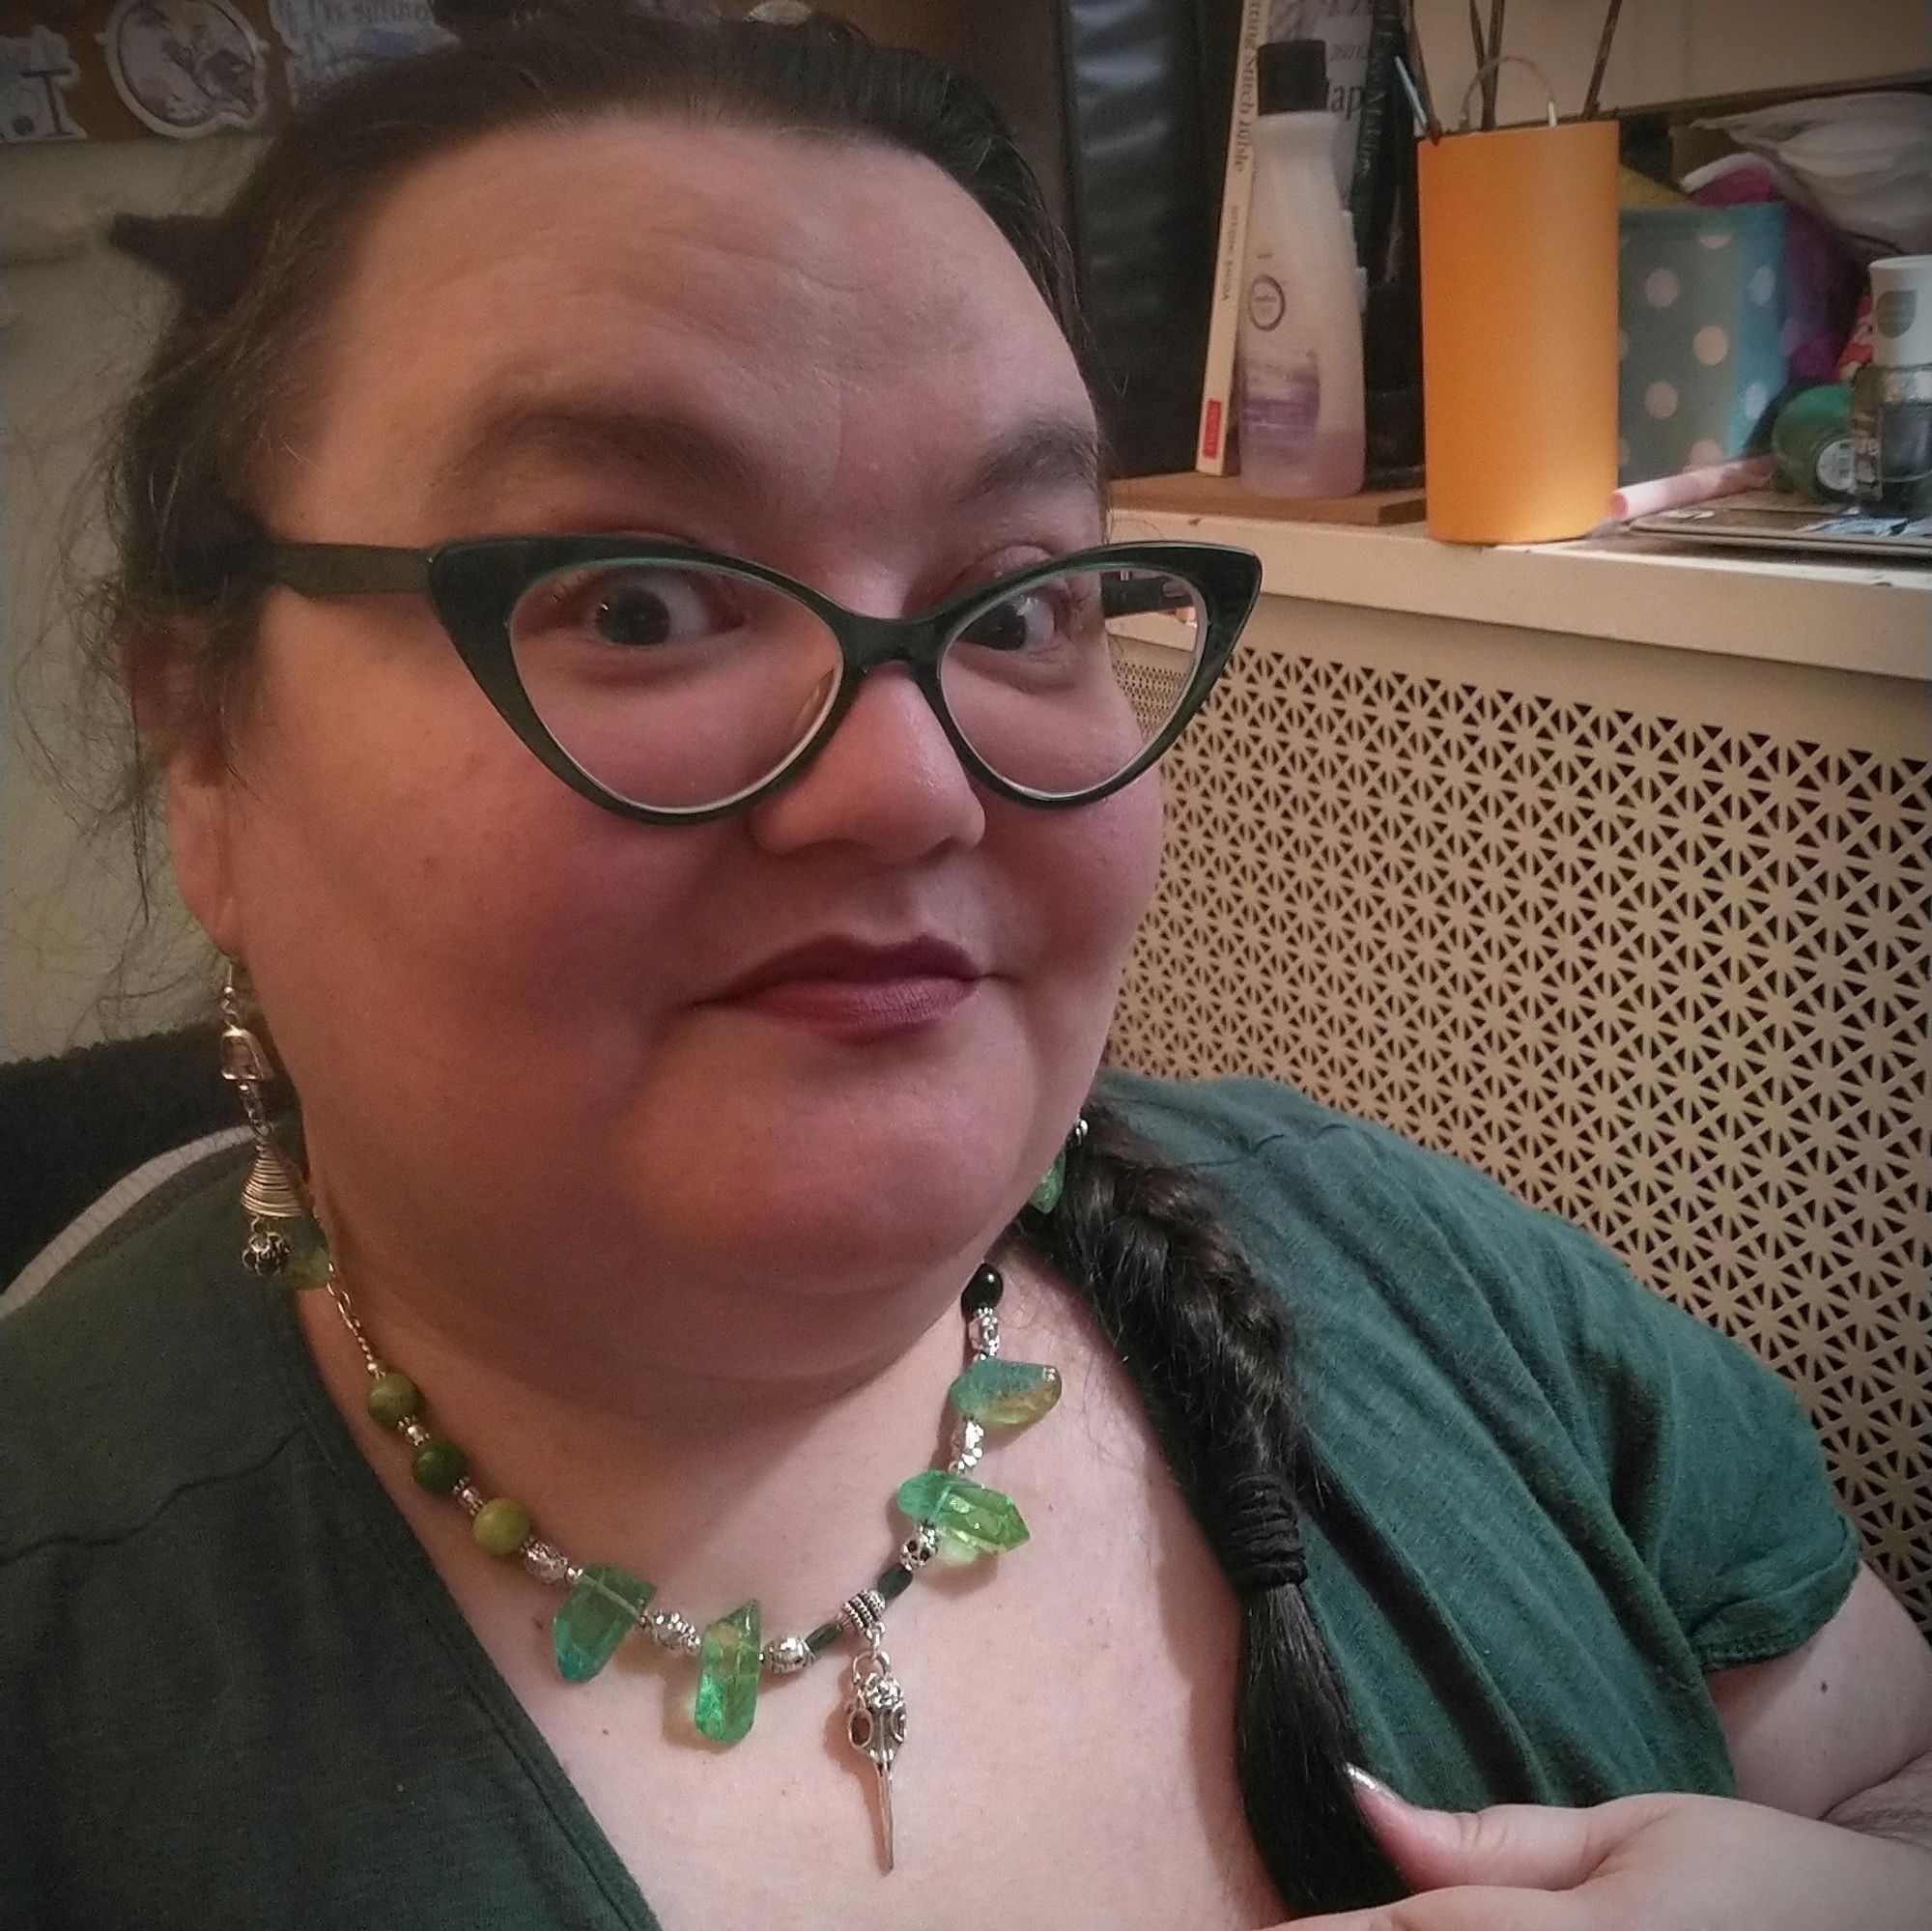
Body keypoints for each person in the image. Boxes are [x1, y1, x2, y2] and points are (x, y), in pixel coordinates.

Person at [3, 10, 1928, 1928]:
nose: (906, 785)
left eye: (1027, 596)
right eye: (638, 601)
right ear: (203, 740)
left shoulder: (1434, 1286)